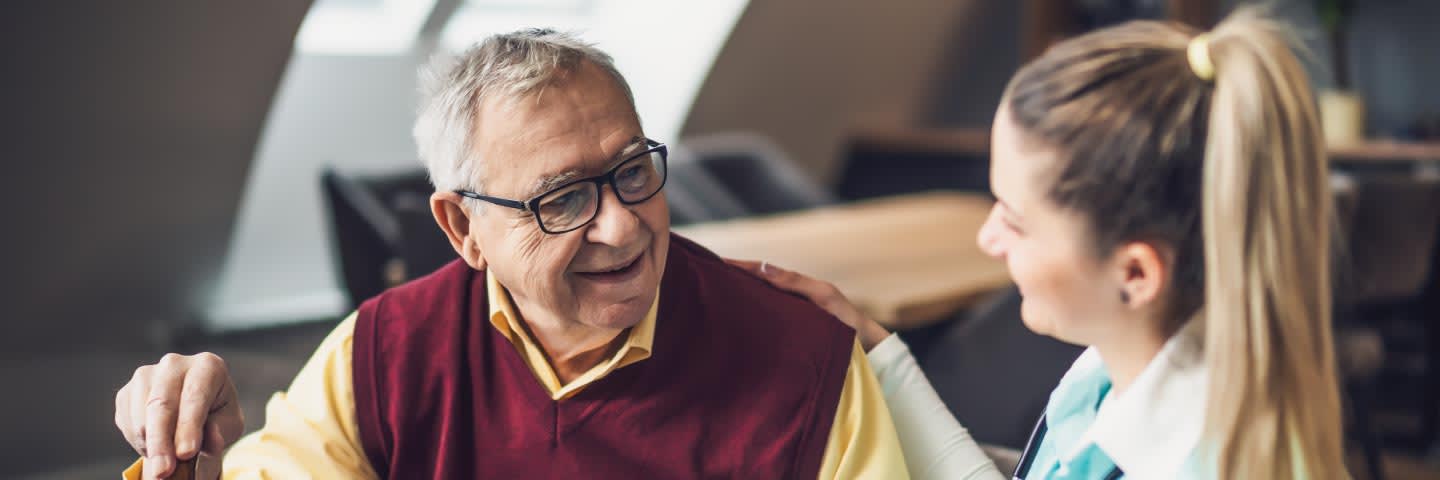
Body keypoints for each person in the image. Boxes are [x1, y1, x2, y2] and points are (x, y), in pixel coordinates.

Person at [113, 29, 911, 479]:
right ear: (462, 229)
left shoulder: (802, 358)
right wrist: (184, 467)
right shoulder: (385, 352)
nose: (624, 228)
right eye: (562, 198)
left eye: (632, 171)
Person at [733, 7, 1346, 479]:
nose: (987, 235)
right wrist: (875, 349)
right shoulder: (1112, 371)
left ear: (1135, 274)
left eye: (1015, 219)